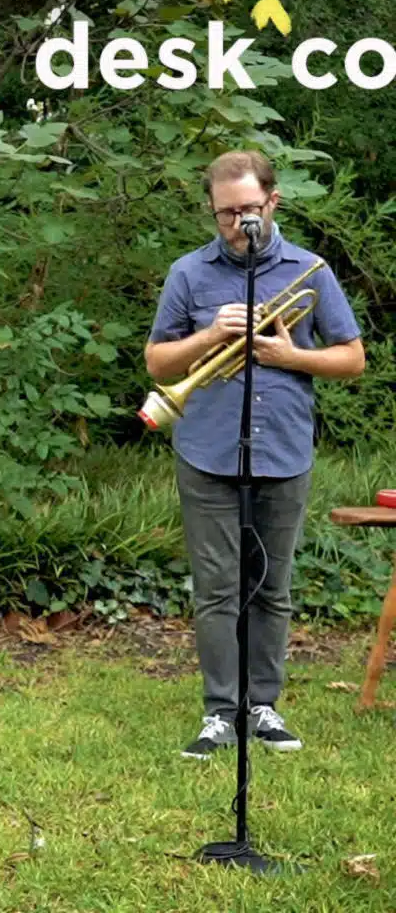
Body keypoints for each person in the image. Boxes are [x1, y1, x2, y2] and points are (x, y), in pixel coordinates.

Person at [144, 150, 364, 759]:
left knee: (272, 587)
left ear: (273, 202)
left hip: (284, 450)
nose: (239, 223)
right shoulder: (189, 274)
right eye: (225, 214)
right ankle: (221, 711)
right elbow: (158, 363)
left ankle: (263, 705)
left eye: (248, 209)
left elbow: (353, 357)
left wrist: (292, 358)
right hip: (208, 450)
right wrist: (212, 334)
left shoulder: (311, 270)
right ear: (213, 213)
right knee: (216, 588)